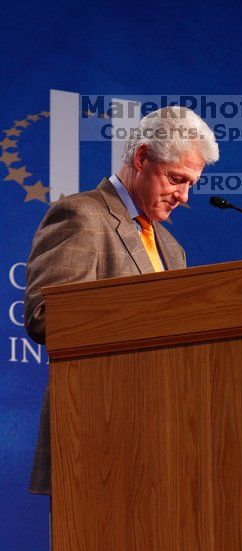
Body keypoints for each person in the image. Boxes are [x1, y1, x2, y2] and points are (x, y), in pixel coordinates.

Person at [25, 106, 219, 494]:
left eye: (190, 184)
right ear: (142, 157)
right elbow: (47, 317)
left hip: (165, 438)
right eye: (176, 179)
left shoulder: (171, 247)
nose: (183, 196)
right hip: (96, 434)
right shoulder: (82, 216)